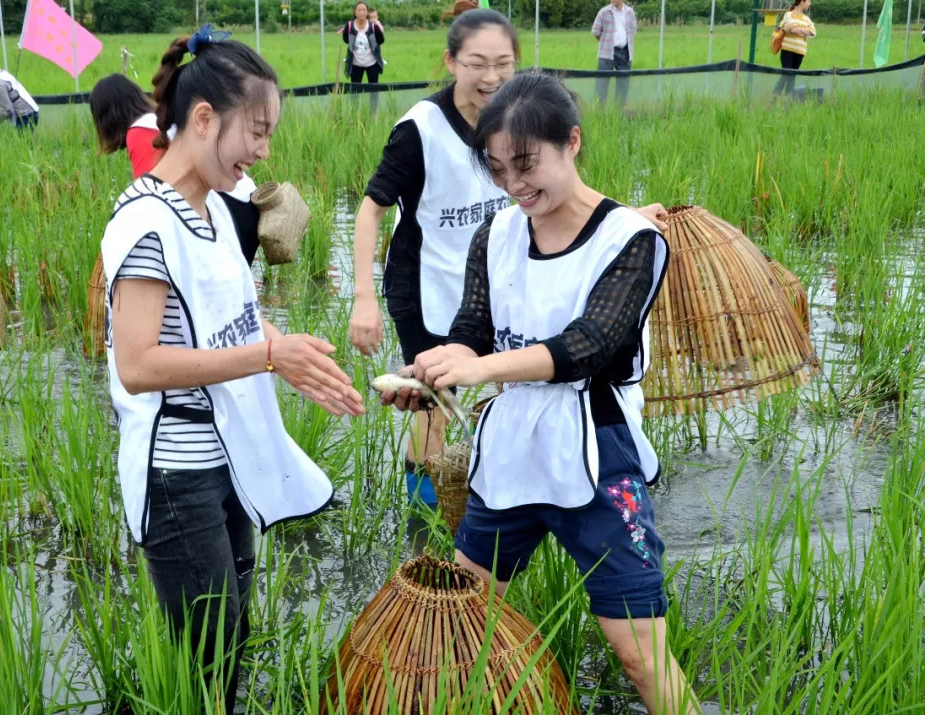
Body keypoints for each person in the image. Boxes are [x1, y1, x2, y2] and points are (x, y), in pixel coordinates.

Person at [380, 73, 699, 714]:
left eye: (526, 165)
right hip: (508, 458)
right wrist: (433, 375)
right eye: (497, 170)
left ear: (571, 143)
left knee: (638, 652)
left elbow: (590, 346)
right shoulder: (494, 235)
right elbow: (472, 332)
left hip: (598, 457)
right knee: (461, 623)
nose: (513, 185)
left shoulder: (633, 241)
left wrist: (483, 369)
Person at [102, 25, 364, 714]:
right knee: (207, 651)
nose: (263, 150)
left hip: (229, 452)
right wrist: (268, 355)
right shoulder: (143, 224)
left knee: (227, 635)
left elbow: (231, 319)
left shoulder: (217, 210)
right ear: (203, 118)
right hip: (176, 468)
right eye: (257, 129)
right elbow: (137, 363)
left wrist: (288, 357)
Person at [349, 8, 665, 509]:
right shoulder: (422, 130)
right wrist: (364, 298)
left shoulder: (527, 135)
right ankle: (426, 512)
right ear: (451, 62)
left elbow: (562, 203)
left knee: (486, 391)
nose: (491, 76)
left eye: (503, 63)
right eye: (477, 63)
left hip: (504, 286)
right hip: (431, 288)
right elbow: (371, 209)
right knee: (436, 405)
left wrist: (620, 220)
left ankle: (480, 496)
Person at [89, 73, 260, 264]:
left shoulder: (139, 131)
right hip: (245, 205)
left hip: (226, 208)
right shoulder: (159, 121)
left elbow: (147, 197)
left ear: (106, 117)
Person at [591, 0, 636, 107]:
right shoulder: (604, 12)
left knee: (623, 85)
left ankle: (619, 112)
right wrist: (606, 42)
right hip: (607, 53)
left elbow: (632, 31)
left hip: (625, 52)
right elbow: (595, 31)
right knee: (602, 84)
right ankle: (599, 111)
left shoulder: (630, 12)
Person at [773, 0, 816, 97]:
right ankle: (776, 95)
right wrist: (803, 30)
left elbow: (812, 32)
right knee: (787, 73)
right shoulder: (788, 15)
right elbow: (792, 28)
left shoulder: (806, 19)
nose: (810, 3)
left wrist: (798, 30)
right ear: (802, 2)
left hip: (800, 51)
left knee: (793, 75)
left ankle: (788, 98)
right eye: (809, 1)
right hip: (787, 50)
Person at [342, 2, 385, 88]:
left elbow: (381, 40)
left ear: (367, 12)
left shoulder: (373, 27)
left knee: (373, 90)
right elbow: (346, 40)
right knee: (355, 92)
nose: (361, 12)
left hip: (372, 63)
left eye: (364, 10)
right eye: (359, 10)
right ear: (355, 12)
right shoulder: (350, 25)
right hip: (355, 64)